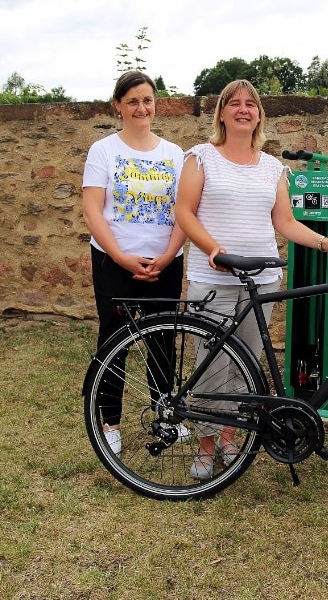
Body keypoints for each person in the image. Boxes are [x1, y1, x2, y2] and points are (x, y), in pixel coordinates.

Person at [175, 79, 328, 480]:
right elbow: (185, 212)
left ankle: (230, 435)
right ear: (221, 113)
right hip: (214, 278)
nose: (243, 109)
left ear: (259, 114)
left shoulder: (273, 167)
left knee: (246, 365)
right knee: (211, 364)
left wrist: (327, 243)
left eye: (251, 105)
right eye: (235, 104)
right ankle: (205, 446)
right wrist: (213, 249)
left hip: (262, 280)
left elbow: (285, 222)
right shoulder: (200, 158)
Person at [81, 70, 188, 455]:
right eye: (132, 101)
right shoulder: (104, 150)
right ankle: (110, 423)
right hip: (115, 261)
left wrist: (167, 253)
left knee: (163, 340)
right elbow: (93, 211)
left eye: (147, 100)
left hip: (165, 262)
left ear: (155, 103)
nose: (141, 108)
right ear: (118, 106)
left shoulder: (175, 154)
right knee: (114, 341)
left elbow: (185, 212)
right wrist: (121, 257)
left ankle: (165, 412)